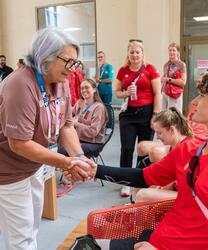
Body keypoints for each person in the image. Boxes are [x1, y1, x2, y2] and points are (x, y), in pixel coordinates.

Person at [70, 70, 208, 250]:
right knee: (83, 246)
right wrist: (96, 170)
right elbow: (143, 177)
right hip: (155, 238)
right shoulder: (190, 150)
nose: (195, 102)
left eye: (203, 96)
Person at [0, 27, 95, 250]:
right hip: (10, 171)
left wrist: (78, 156)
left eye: (76, 63)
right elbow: (19, 143)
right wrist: (66, 163)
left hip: (35, 165)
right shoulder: (20, 84)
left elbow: (67, 125)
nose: (73, 69)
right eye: (68, 62)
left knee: (32, 227)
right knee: (21, 239)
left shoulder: (61, 82)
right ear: (46, 56)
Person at [115, 39, 161, 197]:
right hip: (128, 113)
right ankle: (125, 182)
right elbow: (117, 92)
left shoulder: (150, 69)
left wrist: (155, 115)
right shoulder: (123, 70)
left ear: (142, 54)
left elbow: (157, 94)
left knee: (144, 148)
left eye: (137, 52)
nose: (135, 55)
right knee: (127, 148)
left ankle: (140, 179)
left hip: (147, 113)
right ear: (128, 54)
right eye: (132, 52)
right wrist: (126, 93)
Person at [135, 107, 194, 203]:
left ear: (172, 129)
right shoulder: (175, 146)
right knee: (146, 185)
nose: (157, 137)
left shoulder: (185, 148)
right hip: (179, 189)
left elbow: (171, 181)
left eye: (159, 133)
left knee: (143, 195)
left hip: (189, 195)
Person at [58, 78, 108, 157]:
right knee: (58, 145)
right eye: (82, 88)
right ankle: (67, 168)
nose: (84, 90)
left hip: (93, 143)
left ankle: (71, 168)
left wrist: (76, 124)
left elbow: (93, 132)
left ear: (94, 89)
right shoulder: (80, 102)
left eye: (87, 87)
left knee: (63, 150)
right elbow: (68, 115)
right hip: (78, 139)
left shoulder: (99, 107)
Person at [161, 42, 186, 112]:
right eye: (170, 50)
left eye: (173, 50)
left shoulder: (181, 65)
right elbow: (164, 77)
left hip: (174, 93)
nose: (171, 52)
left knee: (173, 115)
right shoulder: (166, 65)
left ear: (178, 52)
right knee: (163, 115)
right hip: (164, 92)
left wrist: (169, 79)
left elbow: (183, 82)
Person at [95, 51, 114, 134]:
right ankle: (102, 126)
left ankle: (109, 126)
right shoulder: (99, 68)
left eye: (101, 57)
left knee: (107, 109)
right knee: (100, 109)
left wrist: (100, 80)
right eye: (98, 57)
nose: (100, 59)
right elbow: (96, 79)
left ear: (105, 57)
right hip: (99, 92)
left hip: (107, 92)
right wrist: (99, 68)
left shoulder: (109, 67)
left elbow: (110, 79)